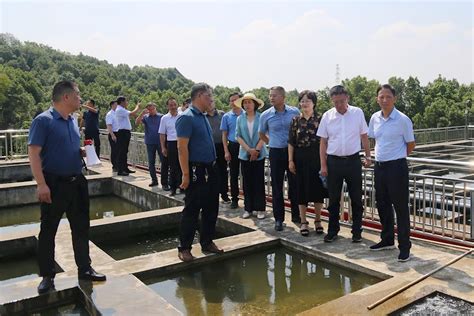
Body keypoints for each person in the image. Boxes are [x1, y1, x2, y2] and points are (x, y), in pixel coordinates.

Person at [28, 80, 106, 294]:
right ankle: (47, 276)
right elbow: (34, 154)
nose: (80, 99)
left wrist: (80, 151)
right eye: (78, 95)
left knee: (81, 227)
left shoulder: (72, 120)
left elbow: (65, 146)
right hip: (54, 183)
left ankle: (85, 268)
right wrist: (41, 184)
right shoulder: (43, 121)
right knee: (48, 231)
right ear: (66, 97)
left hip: (77, 181)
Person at [176, 83, 223, 262]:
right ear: (200, 96)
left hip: (211, 167)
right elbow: (182, 147)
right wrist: (186, 174)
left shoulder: (203, 116)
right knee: (192, 209)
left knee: (212, 207)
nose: (212, 99)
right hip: (196, 169)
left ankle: (207, 241)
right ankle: (185, 247)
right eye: (209, 96)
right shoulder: (186, 117)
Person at [317, 85, 371, 243]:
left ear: (347, 98)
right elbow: (323, 142)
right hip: (333, 162)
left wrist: (368, 156)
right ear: (332, 101)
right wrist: (323, 165)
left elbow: (364, 137)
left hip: (353, 161)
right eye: (336, 102)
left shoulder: (357, 113)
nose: (339, 105)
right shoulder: (327, 116)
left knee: (356, 198)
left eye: (341, 101)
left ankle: (357, 231)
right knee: (333, 199)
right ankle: (333, 230)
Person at [368, 84, 415, 262]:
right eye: (381, 97)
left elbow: (411, 144)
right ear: (377, 99)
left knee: (401, 208)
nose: (385, 100)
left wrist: (396, 158)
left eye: (388, 97)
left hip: (397, 167)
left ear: (394, 98)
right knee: (382, 204)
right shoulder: (374, 118)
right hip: (379, 167)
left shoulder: (403, 119)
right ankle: (387, 239)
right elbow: (374, 139)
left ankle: (405, 247)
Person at [259, 86, 300, 231]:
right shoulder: (266, 115)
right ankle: (279, 219)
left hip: (293, 153)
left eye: (274, 95)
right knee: (277, 186)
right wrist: (271, 142)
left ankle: (297, 215)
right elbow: (261, 133)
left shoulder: (295, 112)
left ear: (283, 97)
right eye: (270, 95)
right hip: (275, 152)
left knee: (295, 185)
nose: (271, 98)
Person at [288, 90, 328, 236]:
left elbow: (325, 140)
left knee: (317, 190)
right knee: (301, 190)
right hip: (300, 157)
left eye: (308, 101)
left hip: (317, 156)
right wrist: (291, 160)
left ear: (314, 103)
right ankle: (303, 222)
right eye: (302, 101)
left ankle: (318, 220)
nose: (304, 103)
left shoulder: (321, 118)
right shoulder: (295, 120)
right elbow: (291, 142)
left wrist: (325, 161)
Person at [235, 93, 268, 220]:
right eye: (245, 102)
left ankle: (260, 208)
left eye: (250, 102)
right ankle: (248, 208)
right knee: (247, 182)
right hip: (244, 154)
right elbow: (237, 136)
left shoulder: (261, 117)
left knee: (259, 181)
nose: (247, 105)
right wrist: (249, 150)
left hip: (259, 154)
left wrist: (256, 150)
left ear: (255, 104)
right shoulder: (240, 118)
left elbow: (266, 134)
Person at [220, 92, 243, 207]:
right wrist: (226, 151)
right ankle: (234, 199)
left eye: (235, 100)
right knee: (233, 174)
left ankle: (249, 200)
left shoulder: (246, 114)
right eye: (231, 100)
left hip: (246, 147)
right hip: (233, 146)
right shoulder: (226, 116)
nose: (233, 102)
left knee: (247, 173)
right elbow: (224, 135)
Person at [136, 102, 166, 187]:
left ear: (155, 107)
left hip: (161, 142)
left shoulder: (162, 117)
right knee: (151, 163)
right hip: (150, 143)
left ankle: (165, 181)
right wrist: (142, 113)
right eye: (149, 109)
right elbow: (137, 122)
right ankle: (154, 180)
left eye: (152, 108)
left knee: (164, 162)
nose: (151, 110)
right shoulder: (145, 117)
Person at [205, 100, 229, 204]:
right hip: (208, 147)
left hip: (221, 146)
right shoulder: (203, 116)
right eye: (208, 103)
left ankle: (224, 194)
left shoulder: (222, 114)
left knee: (223, 170)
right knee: (211, 171)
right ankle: (212, 194)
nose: (210, 104)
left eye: (211, 103)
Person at [159, 97, 182, 196]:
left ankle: (182, 186)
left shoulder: (182, 116)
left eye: (174, 104)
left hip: (182, 143)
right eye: (171, 105)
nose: (173, 107)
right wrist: (163, 147)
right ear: (167, 106)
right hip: (171, 143)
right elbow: (162, 134)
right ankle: (173, 188)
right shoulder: (164, 118)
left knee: (183, 166)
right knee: (173, 167)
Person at [115, 96, 140, 176]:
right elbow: (132, 113)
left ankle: (125, 168)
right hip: (122, 132)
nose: (127, 103)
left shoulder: (122, 110)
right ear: (122, 102)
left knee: (125, 151)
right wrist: (137, 107)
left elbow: (131, 114)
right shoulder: (120, 110)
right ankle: (120, 170)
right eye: (126, 101)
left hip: (125, 132)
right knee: (122, 151)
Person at [105, 100, 118, 171]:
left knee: (118, 150)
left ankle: (118, 165)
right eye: (116, 104)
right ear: (112, 105)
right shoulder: (110, 114)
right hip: (113, 133)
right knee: (114, 150)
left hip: (118, 133)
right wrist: (112, 135)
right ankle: (114, 166)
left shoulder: (116, 113)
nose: (117, 106)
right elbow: (109, 125)